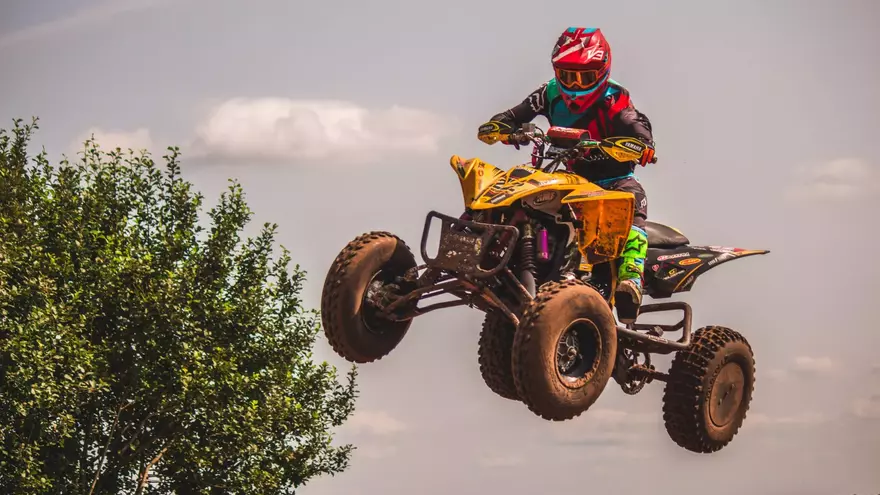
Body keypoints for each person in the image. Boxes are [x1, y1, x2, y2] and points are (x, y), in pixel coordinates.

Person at [476, 26, 656, 324]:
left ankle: (631, 280)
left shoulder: (615, 98)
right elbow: (515, 114)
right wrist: (501, 126)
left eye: (584, 77)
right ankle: (491, 256)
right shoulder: (549, 92)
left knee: (633, 199)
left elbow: (636, 123)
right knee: (521, 194)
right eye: (568, 74)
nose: (574, 83)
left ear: (602, 72)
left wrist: (643, 144)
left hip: (611, 182)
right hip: (568, 179)